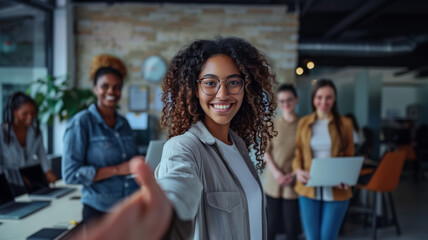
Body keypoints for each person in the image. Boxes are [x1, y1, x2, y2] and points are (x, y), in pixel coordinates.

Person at [79, 37, 277, 240]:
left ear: (246, 88)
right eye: (210, 83)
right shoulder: (184, 147)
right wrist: (164, 213)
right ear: (195, 90)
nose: (223, 93)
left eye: (233, 82)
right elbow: (177, 187)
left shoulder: (239, 145)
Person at [62, 54, 139, 223]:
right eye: (105, 86)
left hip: (128, 207)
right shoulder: (82, 123)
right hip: (99, 211)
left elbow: (130, 163)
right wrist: (118, 169)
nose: (111, 91)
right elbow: (70, 174)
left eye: (116, 87)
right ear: (95, 89)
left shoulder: (124, 123)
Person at [292, 79, 354, 240]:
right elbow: (297, 153)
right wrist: (298, 171)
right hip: (308, 189)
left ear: (334, 99)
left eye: (329, 97)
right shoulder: (304, 123)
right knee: (312, 237)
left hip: (337, 189)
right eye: (319, 97)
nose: (324, 102)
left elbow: (349, 155)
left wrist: (346, 177)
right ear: (313, 99)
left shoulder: (345, 124)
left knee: (327, 237)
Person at [0, 92, 57, 196]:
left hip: (31, 180)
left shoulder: (35, 132)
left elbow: (42, 153)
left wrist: (47, 171)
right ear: (14, 112)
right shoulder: (2, 133)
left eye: (33, 113)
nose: (30, 117)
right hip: (9, 184)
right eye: (25, 113)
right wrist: (17, 176)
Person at [263, 84, 301, 240]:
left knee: (292, 228)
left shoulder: (304, 125)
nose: (286, 104)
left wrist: (292, 175)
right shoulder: (272, 124)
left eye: (289, 100)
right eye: (282, 101)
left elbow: (305, 155)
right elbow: (266, 151)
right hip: (273, 181)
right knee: (270, 227)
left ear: (296, 100)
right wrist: (277, 173)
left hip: (294, 182)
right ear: (279, 103)